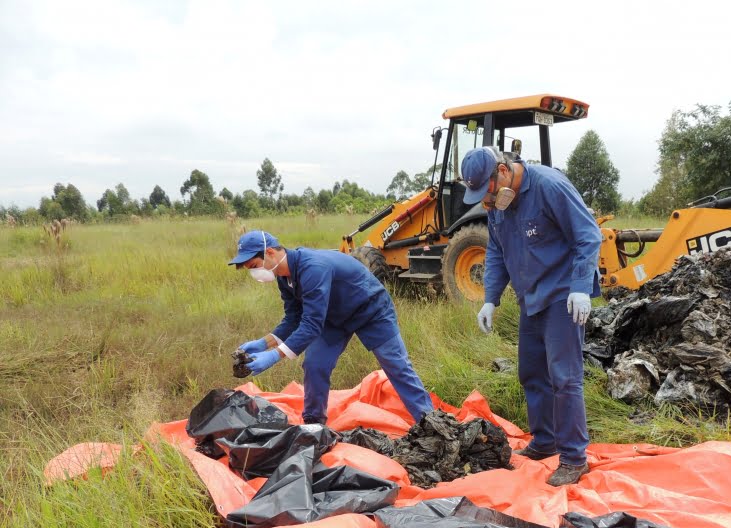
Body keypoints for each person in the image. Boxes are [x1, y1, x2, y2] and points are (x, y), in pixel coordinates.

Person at [461, 146, 601, 487]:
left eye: (488, 191)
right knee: (531, 372)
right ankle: (545, 440)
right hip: (531, 298)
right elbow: (496, 248)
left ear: (503, 172)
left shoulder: (549, 186)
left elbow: (588, 235)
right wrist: (490, 298)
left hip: (562, 296)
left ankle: (573, 458)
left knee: (564, 377)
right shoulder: (499, 205)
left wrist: (581, 286)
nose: (487, 201)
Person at [229, 230, 433, 426]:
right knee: (315, 365)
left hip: (370, 310)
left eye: (254, 265)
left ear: (270, 252)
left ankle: (430, 421)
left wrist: (273, 356)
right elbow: (293, 318)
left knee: (396, 365)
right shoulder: (284, 277)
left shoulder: (312, 267)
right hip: (333, 318)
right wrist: (263, 344)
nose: (255, 273)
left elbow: (311, 324)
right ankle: (314, 424)